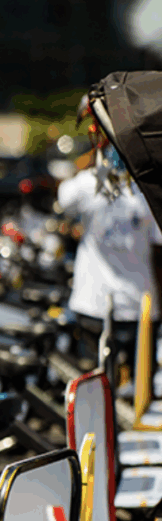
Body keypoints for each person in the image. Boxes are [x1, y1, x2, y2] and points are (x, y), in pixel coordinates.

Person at [57, 146, 162, 374]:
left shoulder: (89, 182)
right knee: (135, 393)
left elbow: (63, 195)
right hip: (130, 306)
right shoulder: (151, 189)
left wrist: (89, 157)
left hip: (111, 306)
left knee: (95, 390)